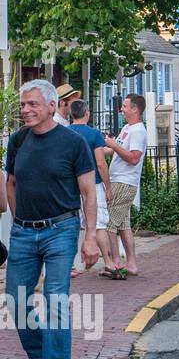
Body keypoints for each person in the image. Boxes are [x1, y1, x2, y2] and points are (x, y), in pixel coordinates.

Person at [5, 79, 99, 359]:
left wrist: (90, 237)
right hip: (23, 231)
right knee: (16, 300)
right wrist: (19, 221)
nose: (25, 110)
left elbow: (88, 192)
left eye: (32, 104)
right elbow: (12, 183)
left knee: (55, 298)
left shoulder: (73, 143)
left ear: (49, 106)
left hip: (61, 229)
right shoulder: (17, 141)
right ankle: (40, 358)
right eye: (23, 105)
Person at [102, 93, 148, 278]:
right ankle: (131, 264)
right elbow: (113, 150)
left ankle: (115, 263)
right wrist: (101, 148)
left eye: (125, 106)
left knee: (110, 224)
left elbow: (134, 158)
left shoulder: (137, 130)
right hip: (120, 179)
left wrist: (113, 145)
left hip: (123, 181)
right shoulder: (128, 128)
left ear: (135, 109)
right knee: (123, 225)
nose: (122, 109)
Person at [68, 99, 111, 277]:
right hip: (93, 182)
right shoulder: (94, 134)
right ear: (87, 113)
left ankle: (71, 265)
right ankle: (108, 263)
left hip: (70, 185)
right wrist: (108, 187)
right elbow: (100, 163)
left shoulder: (65, 132)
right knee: (99, 224)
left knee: (72, 224)